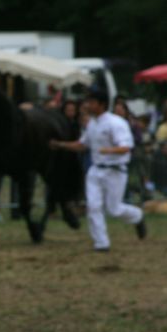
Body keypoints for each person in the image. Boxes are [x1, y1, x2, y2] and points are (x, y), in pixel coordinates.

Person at [50, 89, 146, 252]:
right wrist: (61, 145)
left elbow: (126, 147)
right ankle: (101, 243)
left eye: (91, 102)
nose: (87, 105)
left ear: (101, 104)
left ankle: (137, 216)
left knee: (114, 210)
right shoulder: (92, 124)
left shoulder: (116, 123)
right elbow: (82, 144)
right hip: (95, 170)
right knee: (93, 206)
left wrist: (108, 151)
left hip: (115, 171)